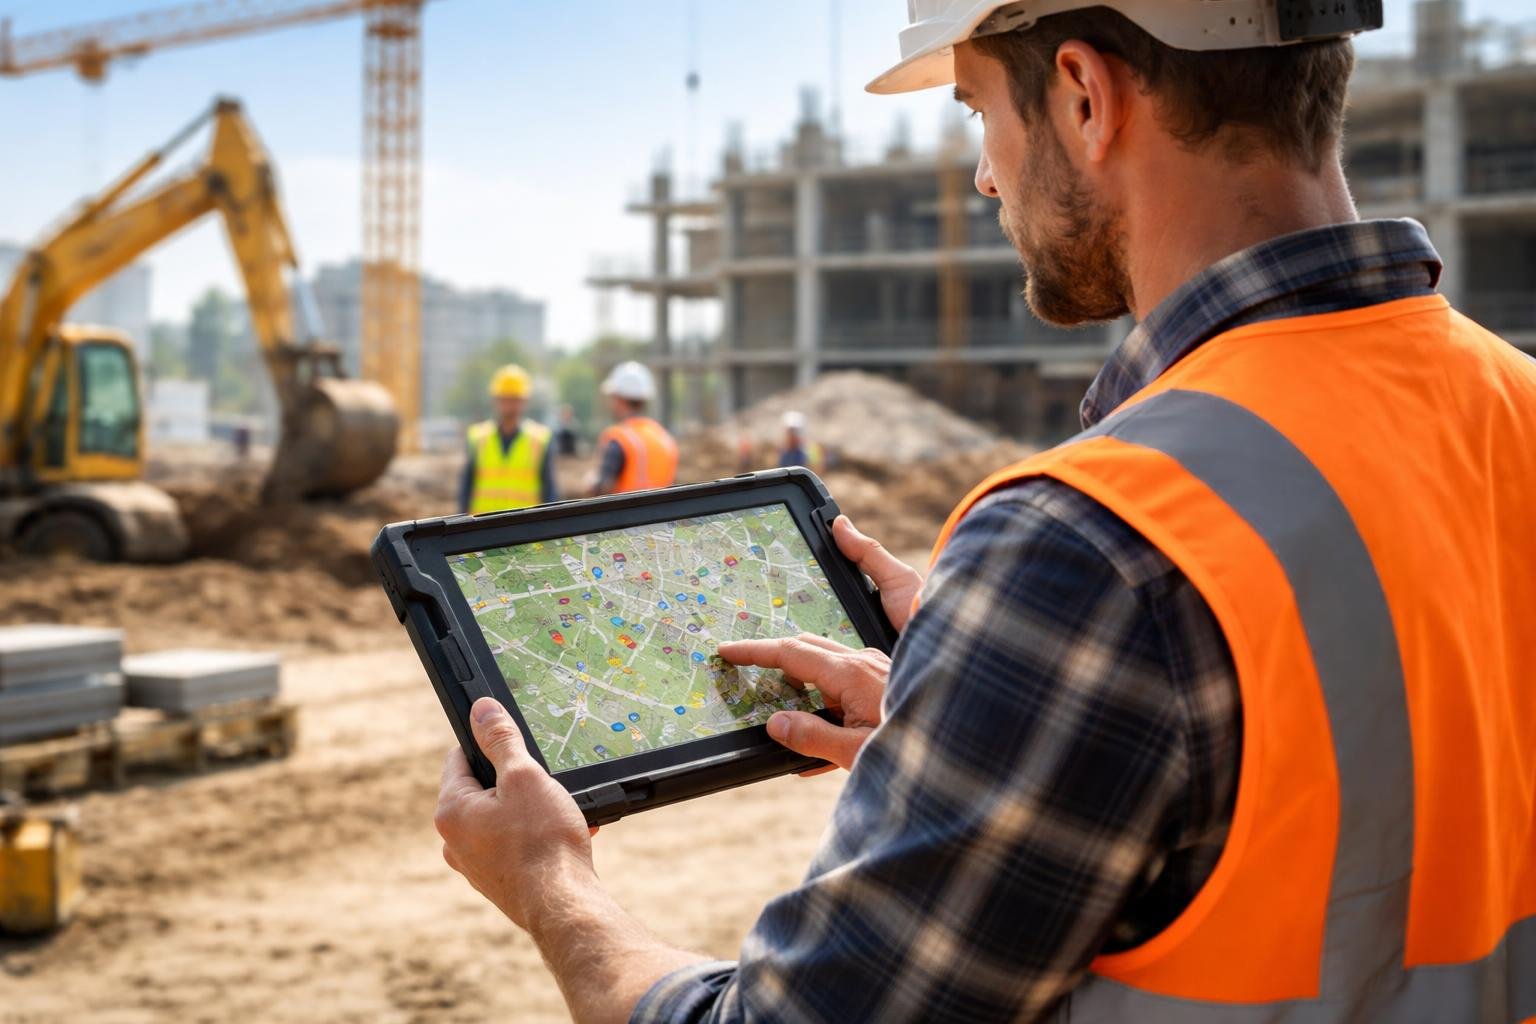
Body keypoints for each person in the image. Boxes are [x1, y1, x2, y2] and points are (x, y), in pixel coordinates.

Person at [434, 3, 1536, 1021]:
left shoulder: (1090, 545)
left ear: (1084, 96)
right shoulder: (1516, 402)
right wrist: (991, 692)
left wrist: (551, 883)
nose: (981, 177)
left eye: (978, 113)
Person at [459, 363, 556, 514]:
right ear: (495, 400)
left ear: (524, 401)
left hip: (527, 534)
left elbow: (549, 493)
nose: (509, 405)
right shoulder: (477, 438)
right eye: (505, 399)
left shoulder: (540, 439)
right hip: (484, 532)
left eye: (514, 399)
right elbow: (466, 490)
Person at [590, 361, 678, 495]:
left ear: (619, 399)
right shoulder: (664, 437)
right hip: (666, 515)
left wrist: (591, 482)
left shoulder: (620, 438)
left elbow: (601, 487)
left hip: (628, 515)